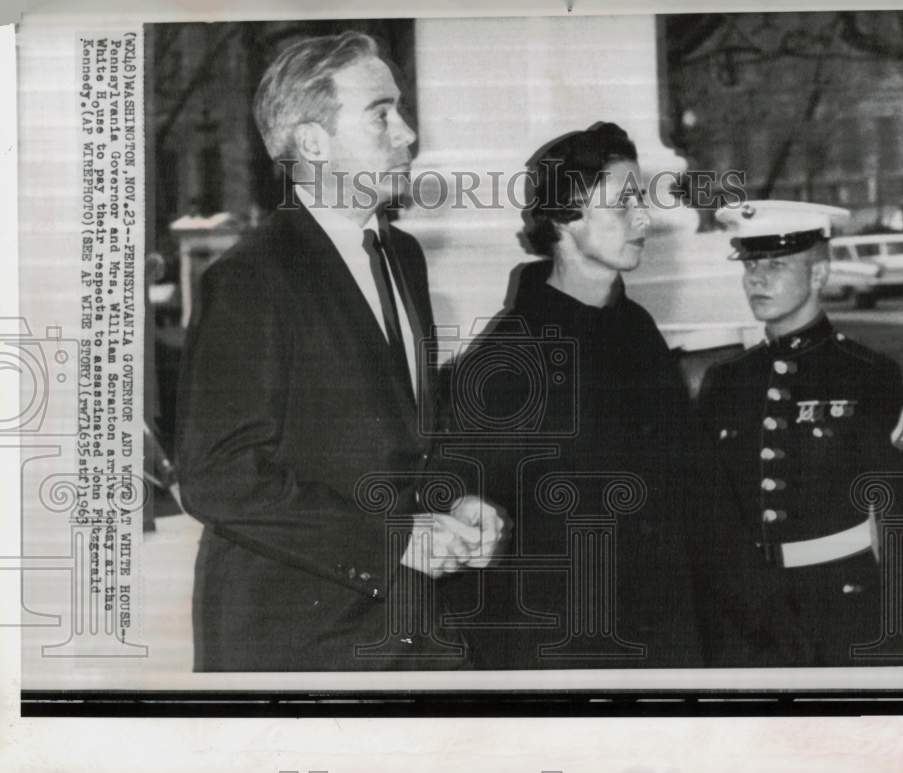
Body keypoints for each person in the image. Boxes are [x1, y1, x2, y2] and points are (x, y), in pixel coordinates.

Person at [175, 32, 504, 671]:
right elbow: (218, 476)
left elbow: (405, 436)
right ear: (312, 142)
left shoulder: (400, 255)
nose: (407, 133)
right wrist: (394, 540)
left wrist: (460, 502)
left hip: (403, 626)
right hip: (293, 640)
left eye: (401, 111)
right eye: (381, 114)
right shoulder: (249, 279)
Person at [439, 123, 703, 669]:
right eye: (623, 202)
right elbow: (469, 533)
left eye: (643, 201)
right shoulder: (505, 359)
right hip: (561, 660)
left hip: (663, 649)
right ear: (565, 215)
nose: (644, 218)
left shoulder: (639, 330)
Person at [697, 200, 903, 667]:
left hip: (843, 613)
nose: (757, 279)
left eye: (776, 265)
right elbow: (707, 516)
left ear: (820, 275)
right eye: (750, 265)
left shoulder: (868, 377)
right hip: (747, 621)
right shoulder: (725, 381)